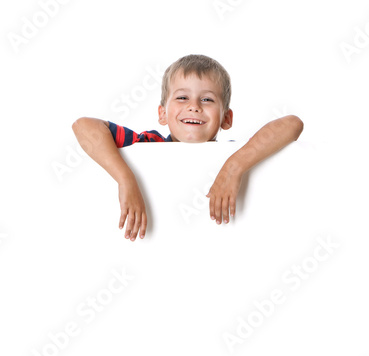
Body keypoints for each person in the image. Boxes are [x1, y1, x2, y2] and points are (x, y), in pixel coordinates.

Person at [72, 54, 303, 241]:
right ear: (162, 113)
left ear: (226, 118)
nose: (194, 107)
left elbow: (292, 124)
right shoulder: (149, 143)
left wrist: (234, 167)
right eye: (182, 98)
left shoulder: (236, 152)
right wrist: (125, 179)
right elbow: (83, 126)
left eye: (207, 100)